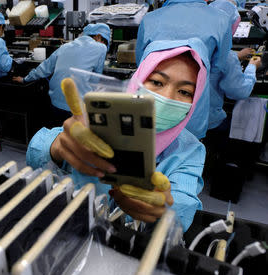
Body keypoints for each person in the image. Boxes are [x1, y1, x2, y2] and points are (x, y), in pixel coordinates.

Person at [27, 38, 209, 231]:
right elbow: (37, 154)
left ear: (195, 99)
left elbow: (182, 208)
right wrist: (58, 147)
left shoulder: (190, 150)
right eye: (156, 82)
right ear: (138, 80)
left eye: (184, 91)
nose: (167, 98)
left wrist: (162, 211)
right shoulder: (106, 118)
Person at [136, 0, 233, 139]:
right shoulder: (221, 19)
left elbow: (142, 64)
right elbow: (218, 65)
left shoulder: (150, 19)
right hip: (190, 102)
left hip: (153, 102)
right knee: (187, 147)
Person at [13, 23, 110, 123]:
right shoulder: (101, 48)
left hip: (56, 103)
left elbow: (44, 68)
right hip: (76, 107)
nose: (105, 47)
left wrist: (25, 79)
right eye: (105, 42)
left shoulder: (65, 46)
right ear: (98, 36)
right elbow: (95, 80)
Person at [207, 0, 262, 130]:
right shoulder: (228, 57)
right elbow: (240, 92)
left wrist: (236, 56)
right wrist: (252, 66)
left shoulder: (196, 43)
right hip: (209, 121)